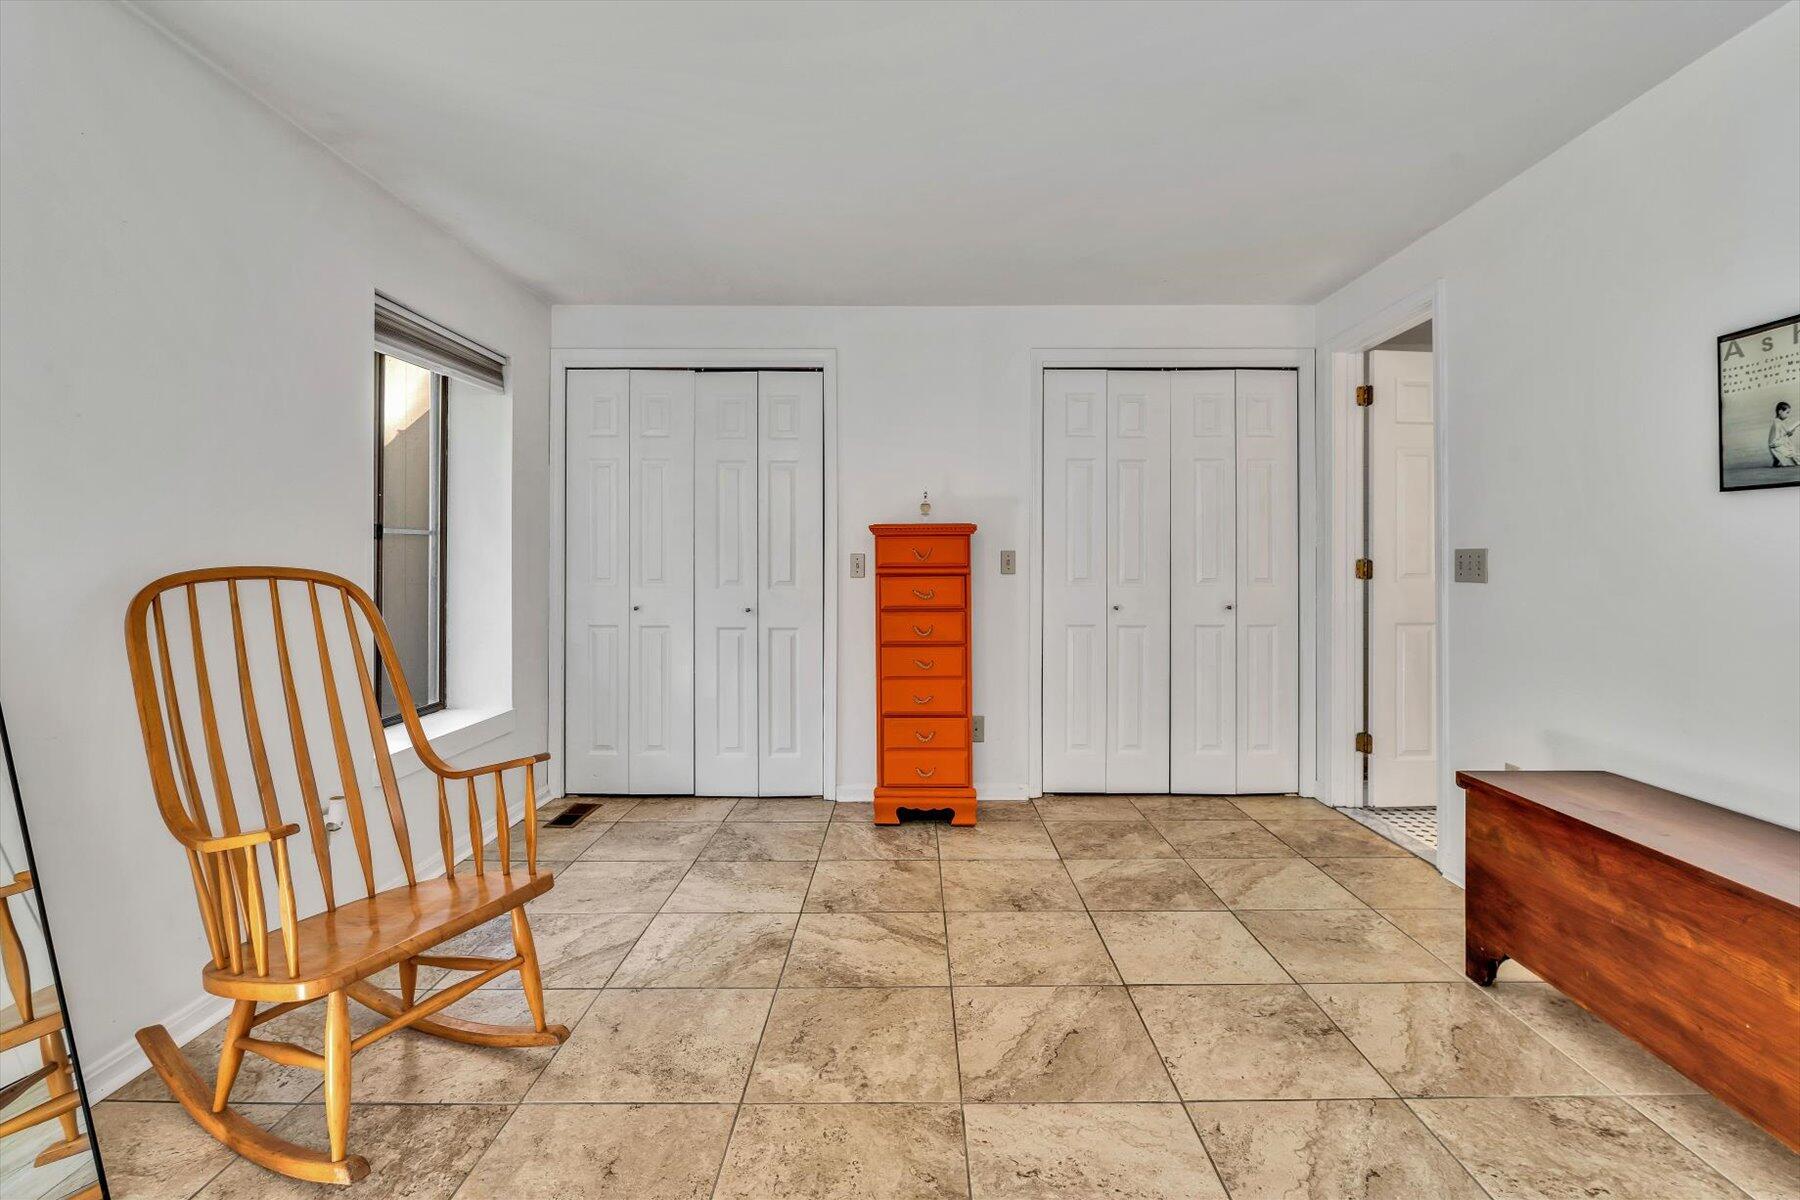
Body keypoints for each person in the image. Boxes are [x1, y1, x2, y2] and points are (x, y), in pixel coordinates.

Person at [1771, 400, 1800, 467]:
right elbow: (1785, 433)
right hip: (1777, 445)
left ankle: (1777, 462)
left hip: (1777, 445)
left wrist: (1789, 432)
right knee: (1794, 455)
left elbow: (1785, 433)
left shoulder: (1777, 421)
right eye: (1787, 413)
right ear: (1780, 412)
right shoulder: (1778, 423)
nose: (1787, 415)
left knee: (1793, 454)